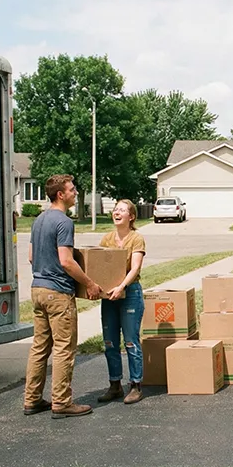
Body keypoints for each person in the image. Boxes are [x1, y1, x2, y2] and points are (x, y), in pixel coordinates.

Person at [23, 174, 102, 419]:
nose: (75, 192)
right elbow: (66, 262)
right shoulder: (64, 222)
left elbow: (30, 256)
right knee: (64, 349)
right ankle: (62, 402)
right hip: (58, 293)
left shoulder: (39, 220)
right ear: (61, 194)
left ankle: (32, 399)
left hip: (37, 290)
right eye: (72, 189)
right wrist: (90, 283)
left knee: (39, 348)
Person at [96, 199, 147, 404]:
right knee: (109, 341)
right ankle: (114, 384)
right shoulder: (106, 239)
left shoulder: (136, 238)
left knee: (130, 340)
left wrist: (121, 287)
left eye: (122, 210)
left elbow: (134, 268)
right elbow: (99, 266)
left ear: (131, 216)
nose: (117, 212)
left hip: (129, 294)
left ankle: (135, 384)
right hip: (109, 296)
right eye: (115, 209)